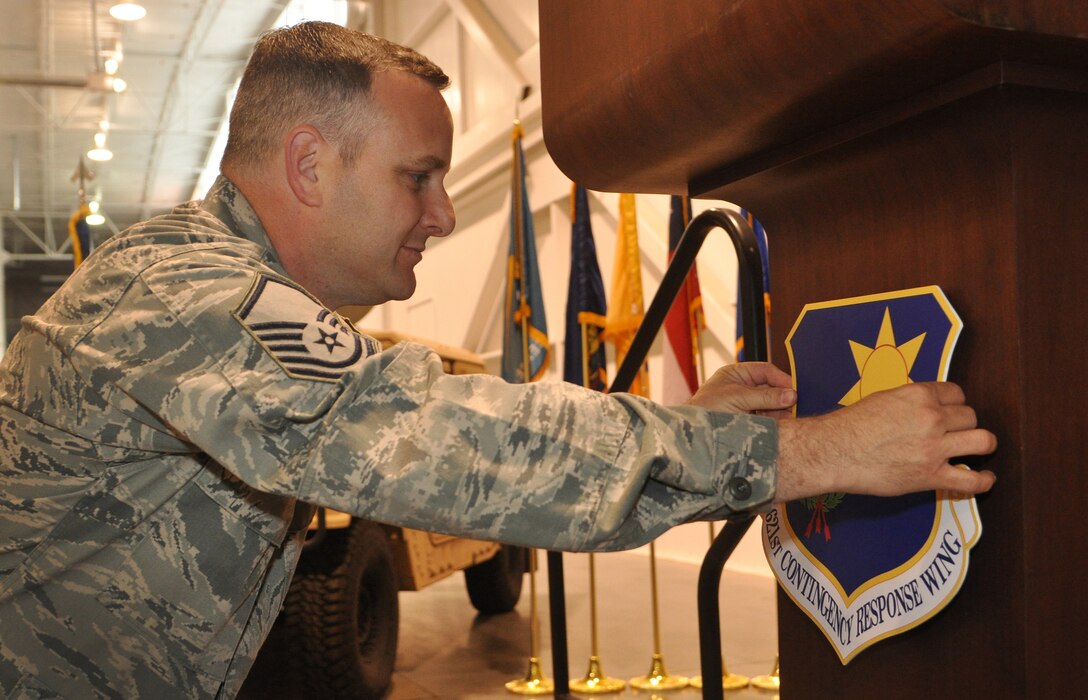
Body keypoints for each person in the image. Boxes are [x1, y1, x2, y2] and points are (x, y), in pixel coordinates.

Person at [0, 21, 996, 700]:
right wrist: (810, 457)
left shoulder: (193, 279)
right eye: (416, 177)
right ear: (308, 165)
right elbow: (445, 440)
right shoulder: (186, 294)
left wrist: (702, 437)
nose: (440, 213)